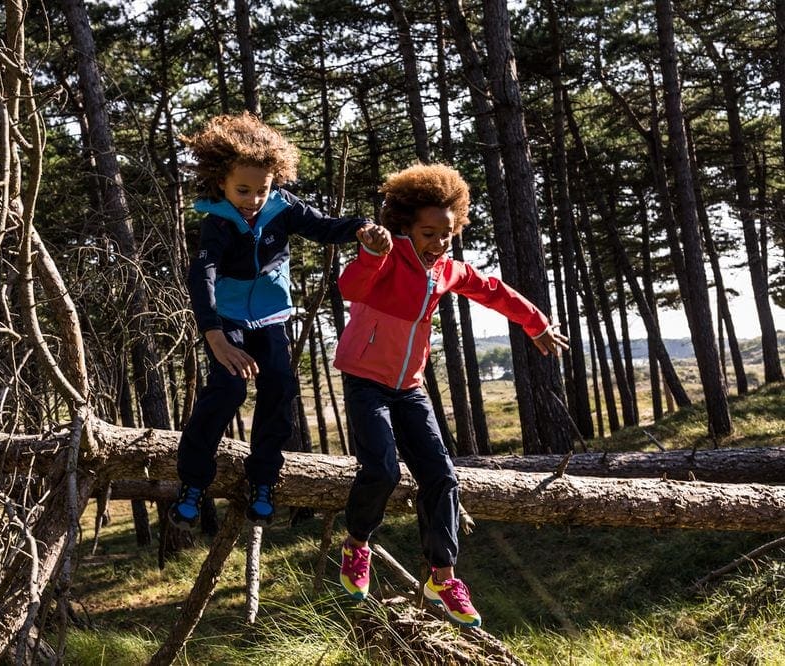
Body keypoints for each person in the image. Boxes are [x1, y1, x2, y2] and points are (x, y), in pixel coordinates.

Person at [333, 163, 568, 627]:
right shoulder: (385, 257)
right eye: (428, 232)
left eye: (447, 233)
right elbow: (349, 288)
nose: (439, 242)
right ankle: (356, 544)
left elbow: (493, 291)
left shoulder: (447, 270)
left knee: (441, 476)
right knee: (380, 467)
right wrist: (370, 255)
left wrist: (535, 322)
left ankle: (443, 575)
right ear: (405, 225)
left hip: (409, 387)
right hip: (365, 379)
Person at [168, 112, 384, 530]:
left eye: (261, 190)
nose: (251, 200)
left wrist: (362, 228)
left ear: (275, 182)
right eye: (242, 190)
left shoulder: (283, 210)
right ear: (221, 183)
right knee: (228, 389)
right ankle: (193, 483)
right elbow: (203, 277)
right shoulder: (216, 225)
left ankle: (263, 480)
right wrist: (214, 336)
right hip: (226, 318)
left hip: (270, 316)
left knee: (280, 387)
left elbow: (324, 228)